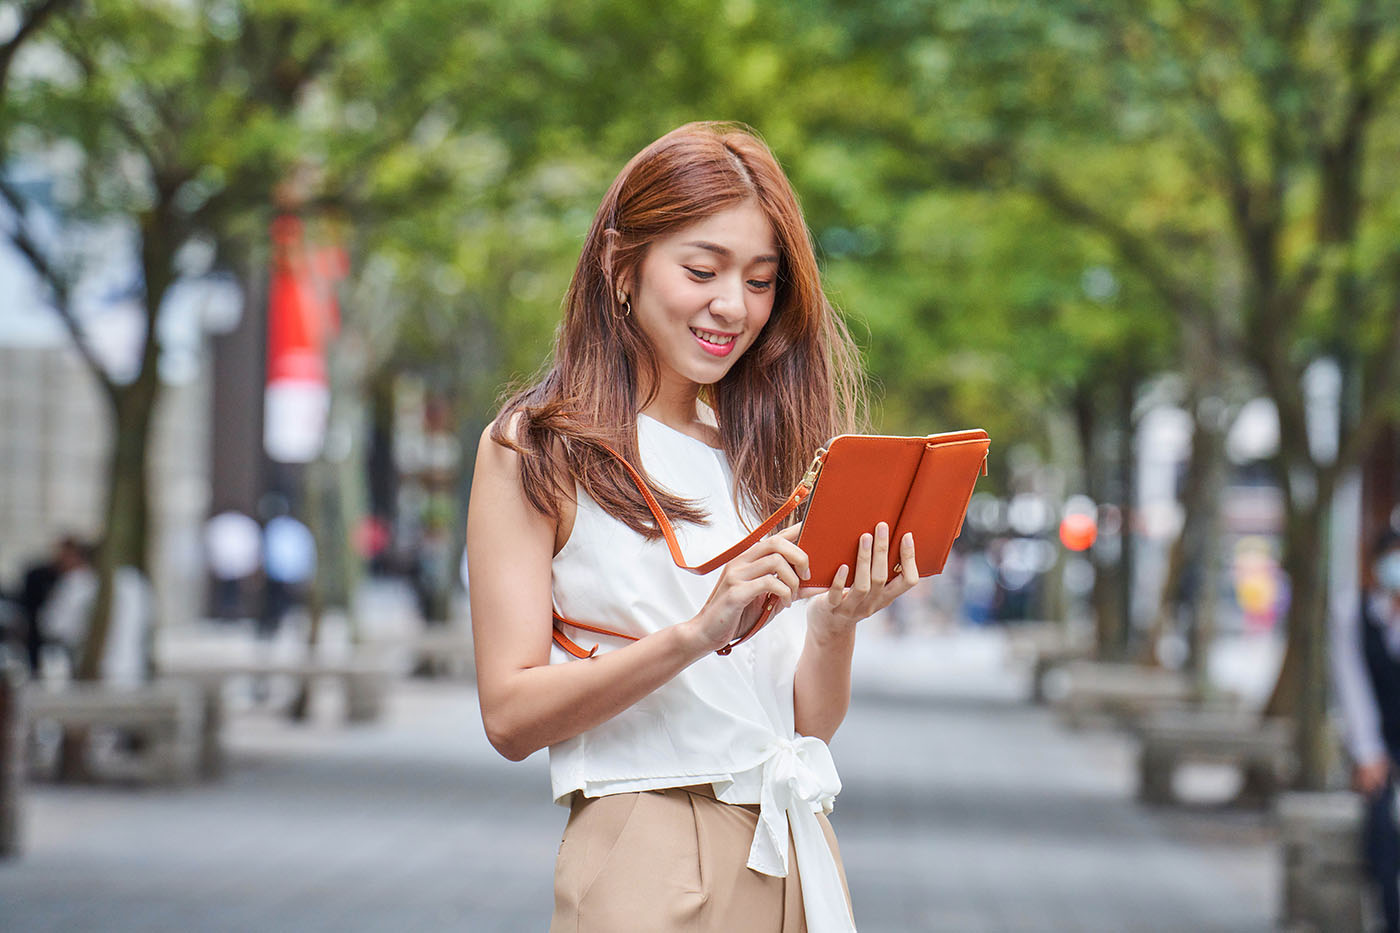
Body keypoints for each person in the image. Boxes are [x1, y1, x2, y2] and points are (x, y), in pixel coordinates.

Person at [467, 123, 923, 933]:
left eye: (760, 280)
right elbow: (508, 713)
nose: (733, 305)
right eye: (702, 270)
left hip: (793, 843)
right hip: (648, 843)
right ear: (622, 265)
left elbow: (804, 725)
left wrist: (835, 624)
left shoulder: (764, 459)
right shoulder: (538, 447)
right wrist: (697, 633)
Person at [1331, 527, 1400, 933]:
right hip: (1376, 741)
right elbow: (1352, 687)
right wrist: (1368, 753)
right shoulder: (1352, 612)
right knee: (1380, 830)